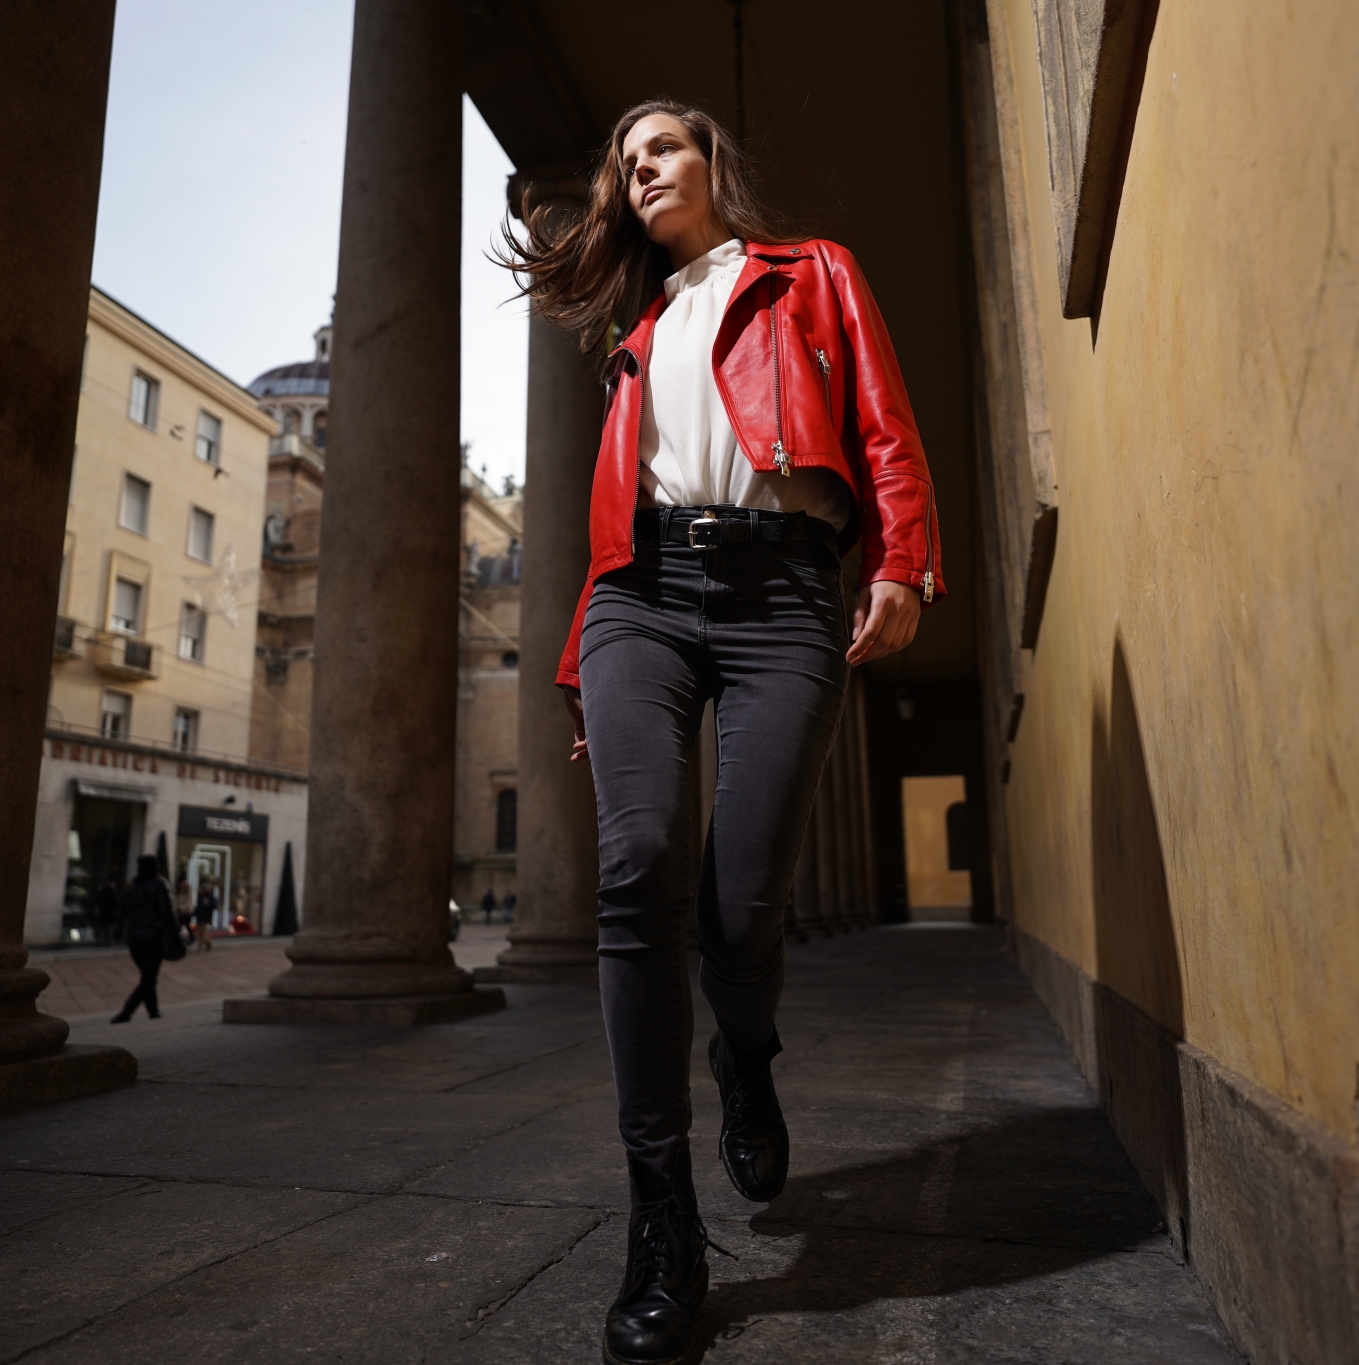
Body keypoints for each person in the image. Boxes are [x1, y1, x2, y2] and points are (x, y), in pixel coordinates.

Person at [503, 100, 940, 1365]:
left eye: (660, 149)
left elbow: (881, 425)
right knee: (636, 867)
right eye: (622, 161)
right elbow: (604, 523)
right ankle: (662, 1220)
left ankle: (742, 1056)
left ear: (709, 164)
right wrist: (591, 669)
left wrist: (901, 560)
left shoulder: (810, 274)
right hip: (642, 598)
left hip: (784, 591)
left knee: (743, 902)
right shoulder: (632, 335)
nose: (639, 170)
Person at [111, 855, 176, 1023]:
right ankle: (126, 1012)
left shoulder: (130, 887)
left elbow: (123, 912)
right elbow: (167, 912)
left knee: (147, 975)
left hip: (133, 937)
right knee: (149, 977)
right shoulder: (160, 884)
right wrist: (174, 932)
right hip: (153, 937)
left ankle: (153, 1011)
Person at [193, 883, 218, 951]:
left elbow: (213, 906)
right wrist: (195, 913)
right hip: (200, 916)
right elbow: (198, 907)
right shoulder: (200, 896)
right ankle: (208, 943)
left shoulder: (209, 896)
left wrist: (207, 906)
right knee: (199, 932)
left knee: (202, 932)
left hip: (206, 916)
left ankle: (200, 946)